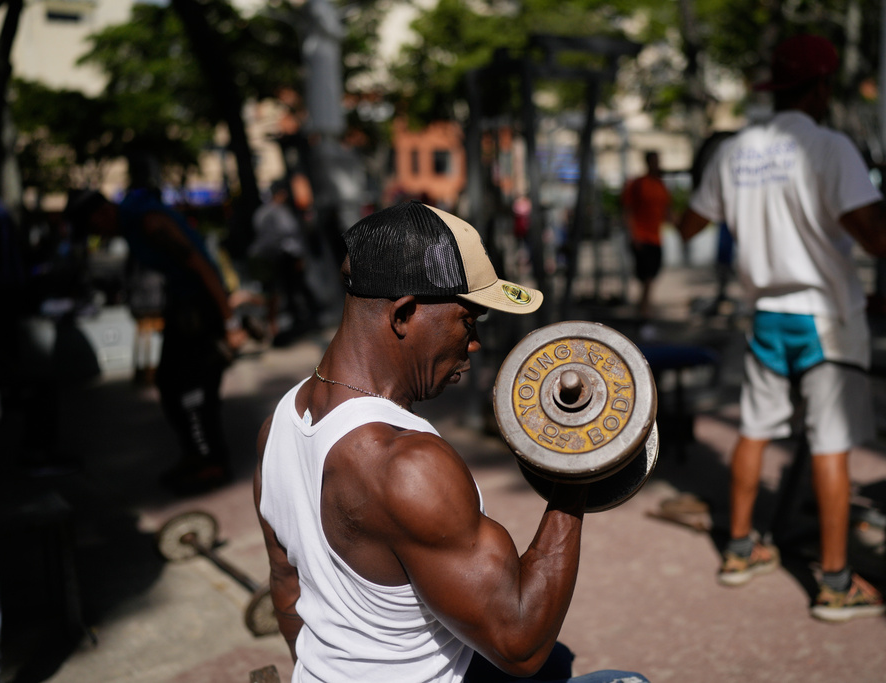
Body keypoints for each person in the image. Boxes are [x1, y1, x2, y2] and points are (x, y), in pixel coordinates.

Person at [254, 201, 649, 683]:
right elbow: (520, 645)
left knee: (562, 659)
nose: (475, 342)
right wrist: (578, 466)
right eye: (468, 320)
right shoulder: (406, 465)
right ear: (405, 314)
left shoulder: (278, 424)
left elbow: (287, 589)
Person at [676, 34, 886, 622]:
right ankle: (836, 582)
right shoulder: (828, 146)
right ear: (820, 87)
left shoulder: (735, 150)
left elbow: (689, 224)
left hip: (766, 315)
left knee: (754, 430)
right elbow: (880, 238)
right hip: (824, 317)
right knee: (830, 445)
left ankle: (740, 551)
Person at [65, 186, 247, 495]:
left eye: (94, 226)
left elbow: (202, 267)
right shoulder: (133, 224)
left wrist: (229, 322)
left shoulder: (149, 223)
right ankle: (195, 455)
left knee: (198, 390)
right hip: (183, 307)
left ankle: (213, 461)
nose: (96, 233)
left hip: (202, 309)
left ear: (103, 213)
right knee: (169, 383)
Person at [248, 178, 320, 341]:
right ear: (280, 194)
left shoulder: (261, 212)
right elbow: (289, 236)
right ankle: (292, 325)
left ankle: (272, 329)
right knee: (287, 292)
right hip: (282, 258)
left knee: (270, 294)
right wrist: (298, 257)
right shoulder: (280, 212)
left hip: (262, 259)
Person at [620, 151, 671, 319]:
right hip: (641, 237)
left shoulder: (661, 185)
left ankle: (643, 309)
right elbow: (627, 210)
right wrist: (633, 235)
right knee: (646, 277)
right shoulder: (638, 184)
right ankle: (643, 311)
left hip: (656, 238)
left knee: (651, 276)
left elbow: (666, 212)